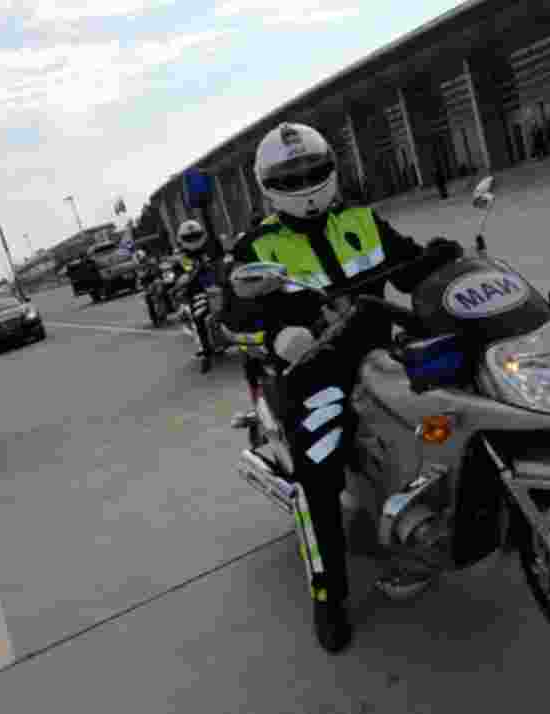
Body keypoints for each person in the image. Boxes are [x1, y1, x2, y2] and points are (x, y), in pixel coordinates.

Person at [218, 122, 463, 653]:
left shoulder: (360, 220)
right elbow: (231, 319)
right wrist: (277, 336)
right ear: (268, 186)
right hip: (317, 372)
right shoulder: (256, 247)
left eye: (313, 170)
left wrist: (442, 259)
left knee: (467, 396)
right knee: (319, 477)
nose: (305, 183)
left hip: (385, 350)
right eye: (290, 178)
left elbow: (408, 269)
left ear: (331, 167)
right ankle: (328, 593)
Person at [174, 219, 225, 371]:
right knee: (198, 317)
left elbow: (223, 261)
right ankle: (205, 353)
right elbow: (180, 278)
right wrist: (186, 277)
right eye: (189, 238)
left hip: (219, 287)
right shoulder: (182, 259)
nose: (193, 240)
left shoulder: (210, 250)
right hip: (197, 292)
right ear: (181, 239)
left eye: (196, 236)